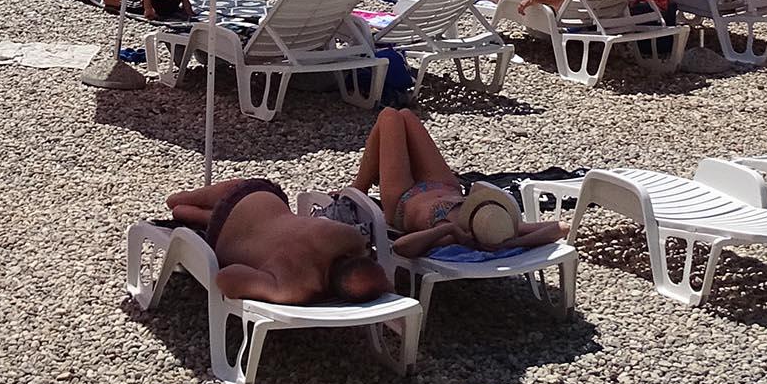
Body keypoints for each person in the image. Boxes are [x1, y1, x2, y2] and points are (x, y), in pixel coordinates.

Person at [350, 107, 565, 256]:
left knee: (390, 116)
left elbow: (401, 247)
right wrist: (512, 242)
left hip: (403, 199)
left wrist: (448, 230)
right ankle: (359, 185)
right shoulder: (502, 226)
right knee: (405, 115)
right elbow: (561, 228)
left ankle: (359, 187)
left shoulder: (452, 235)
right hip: (443, 184)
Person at [162, 179, 392, 307]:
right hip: (223, 234)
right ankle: (193, 214)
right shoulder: (294, 288)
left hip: (257, 196)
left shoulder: (344, 236)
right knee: (181, 209)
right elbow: (226, 278)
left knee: (178, 204)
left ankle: (189, 211)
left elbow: (225, 278)